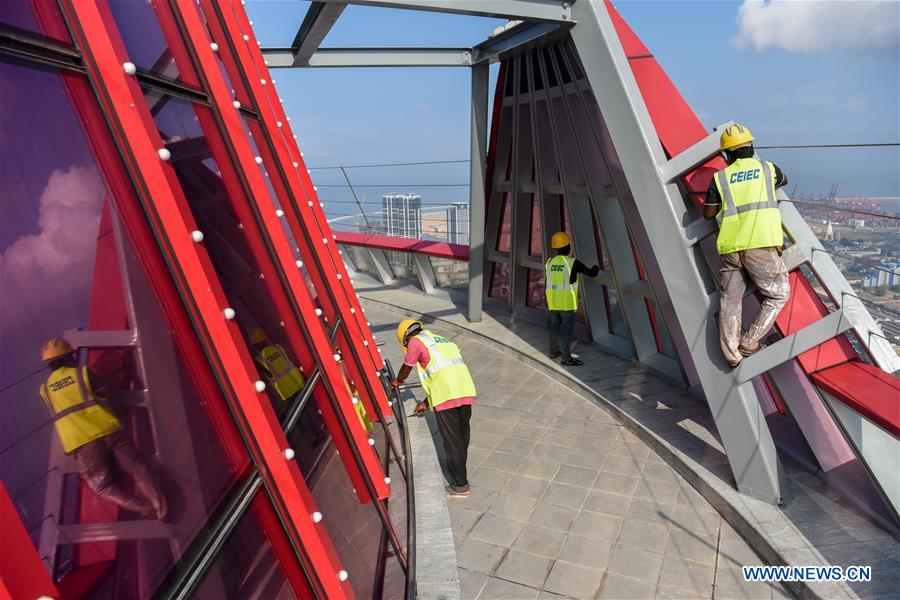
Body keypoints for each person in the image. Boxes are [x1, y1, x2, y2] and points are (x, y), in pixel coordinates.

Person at [39, 338, 168, 520]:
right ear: (68, 357)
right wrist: (122, 416)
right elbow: (110, 396)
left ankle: (143, 507)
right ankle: (161, 507)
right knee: (137, 467)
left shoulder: (44, 390)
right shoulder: (83, 373)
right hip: (109, 428)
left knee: (101, 485)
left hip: (83, 443)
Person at [703, 124, 790, 368]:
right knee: (779, 293)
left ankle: (731, 355)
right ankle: (749, 342)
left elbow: (708, 214)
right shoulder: (767, 169)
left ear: (727, 155)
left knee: (729, 302)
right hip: (761, 244)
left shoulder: (719, 178)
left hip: (731, 247)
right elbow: (784, 180)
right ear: (751, 146)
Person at [390, 320, 476, 498]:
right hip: (466, 390)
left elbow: (407, 366)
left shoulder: (415, 342)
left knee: (452, 442)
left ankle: (460, 486)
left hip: (446, 397)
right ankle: (458, 469)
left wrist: (397, 381)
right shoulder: (440, 339)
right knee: (462, 437)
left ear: (406, 337)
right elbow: (443, 374)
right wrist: (425, 403)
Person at [545, 231, 600, 366]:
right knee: (566, 331)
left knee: (554, 328)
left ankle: (553, 352)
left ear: (556, 248)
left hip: (553, 303)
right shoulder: (572, 263)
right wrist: (596, 266)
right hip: (567, 304)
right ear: (567, 247)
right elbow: (592, 273)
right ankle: (566, 358)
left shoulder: (550, 262)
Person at [249, 327, 305, 401]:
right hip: (300, 383)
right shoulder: (278, 348)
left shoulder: (259, 361)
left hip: (287, 392)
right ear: (265, 339)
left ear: (254, 345)